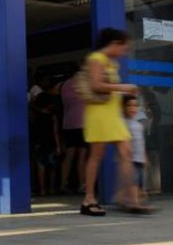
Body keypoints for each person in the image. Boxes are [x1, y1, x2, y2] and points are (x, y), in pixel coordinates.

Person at [80, 28, 149, 216]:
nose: (124, 52)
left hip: (113, 115)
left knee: (126, 153)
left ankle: (130, 199)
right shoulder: (96, 58)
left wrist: (123, 92)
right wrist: (123, 87)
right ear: (114, 44)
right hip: (99, 114)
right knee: (96, 156)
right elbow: (96, 85)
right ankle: (88, 199)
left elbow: (108, 88)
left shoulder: (112, 63)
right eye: (124, 48)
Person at [59, 66, 87, 194]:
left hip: (68, 124)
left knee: (69, 155)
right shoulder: (83, 84)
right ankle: (82, 184)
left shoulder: (64, 85)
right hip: (82, 123)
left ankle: (63, 184)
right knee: (82, 155)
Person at [30, 93, 62, 196]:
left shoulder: (35, 116)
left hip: (39, 143)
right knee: (52, 166)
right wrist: (58, 146)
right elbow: (55, 132)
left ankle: (42, 189)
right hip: (50, 143)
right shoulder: (52, 117)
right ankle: (52, 188)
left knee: (41, 166)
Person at [123, 95, 147, 204]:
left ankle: (123, 199)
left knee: (139, 181)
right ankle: (135, 203)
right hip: (131, 159)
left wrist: (144, 156)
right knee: (134, 181)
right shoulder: (124, 123)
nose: (132, 108)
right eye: (129, 106)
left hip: (139, 159)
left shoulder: (138, 125)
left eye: (135, 106)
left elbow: (141, 142)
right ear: (124, 108)